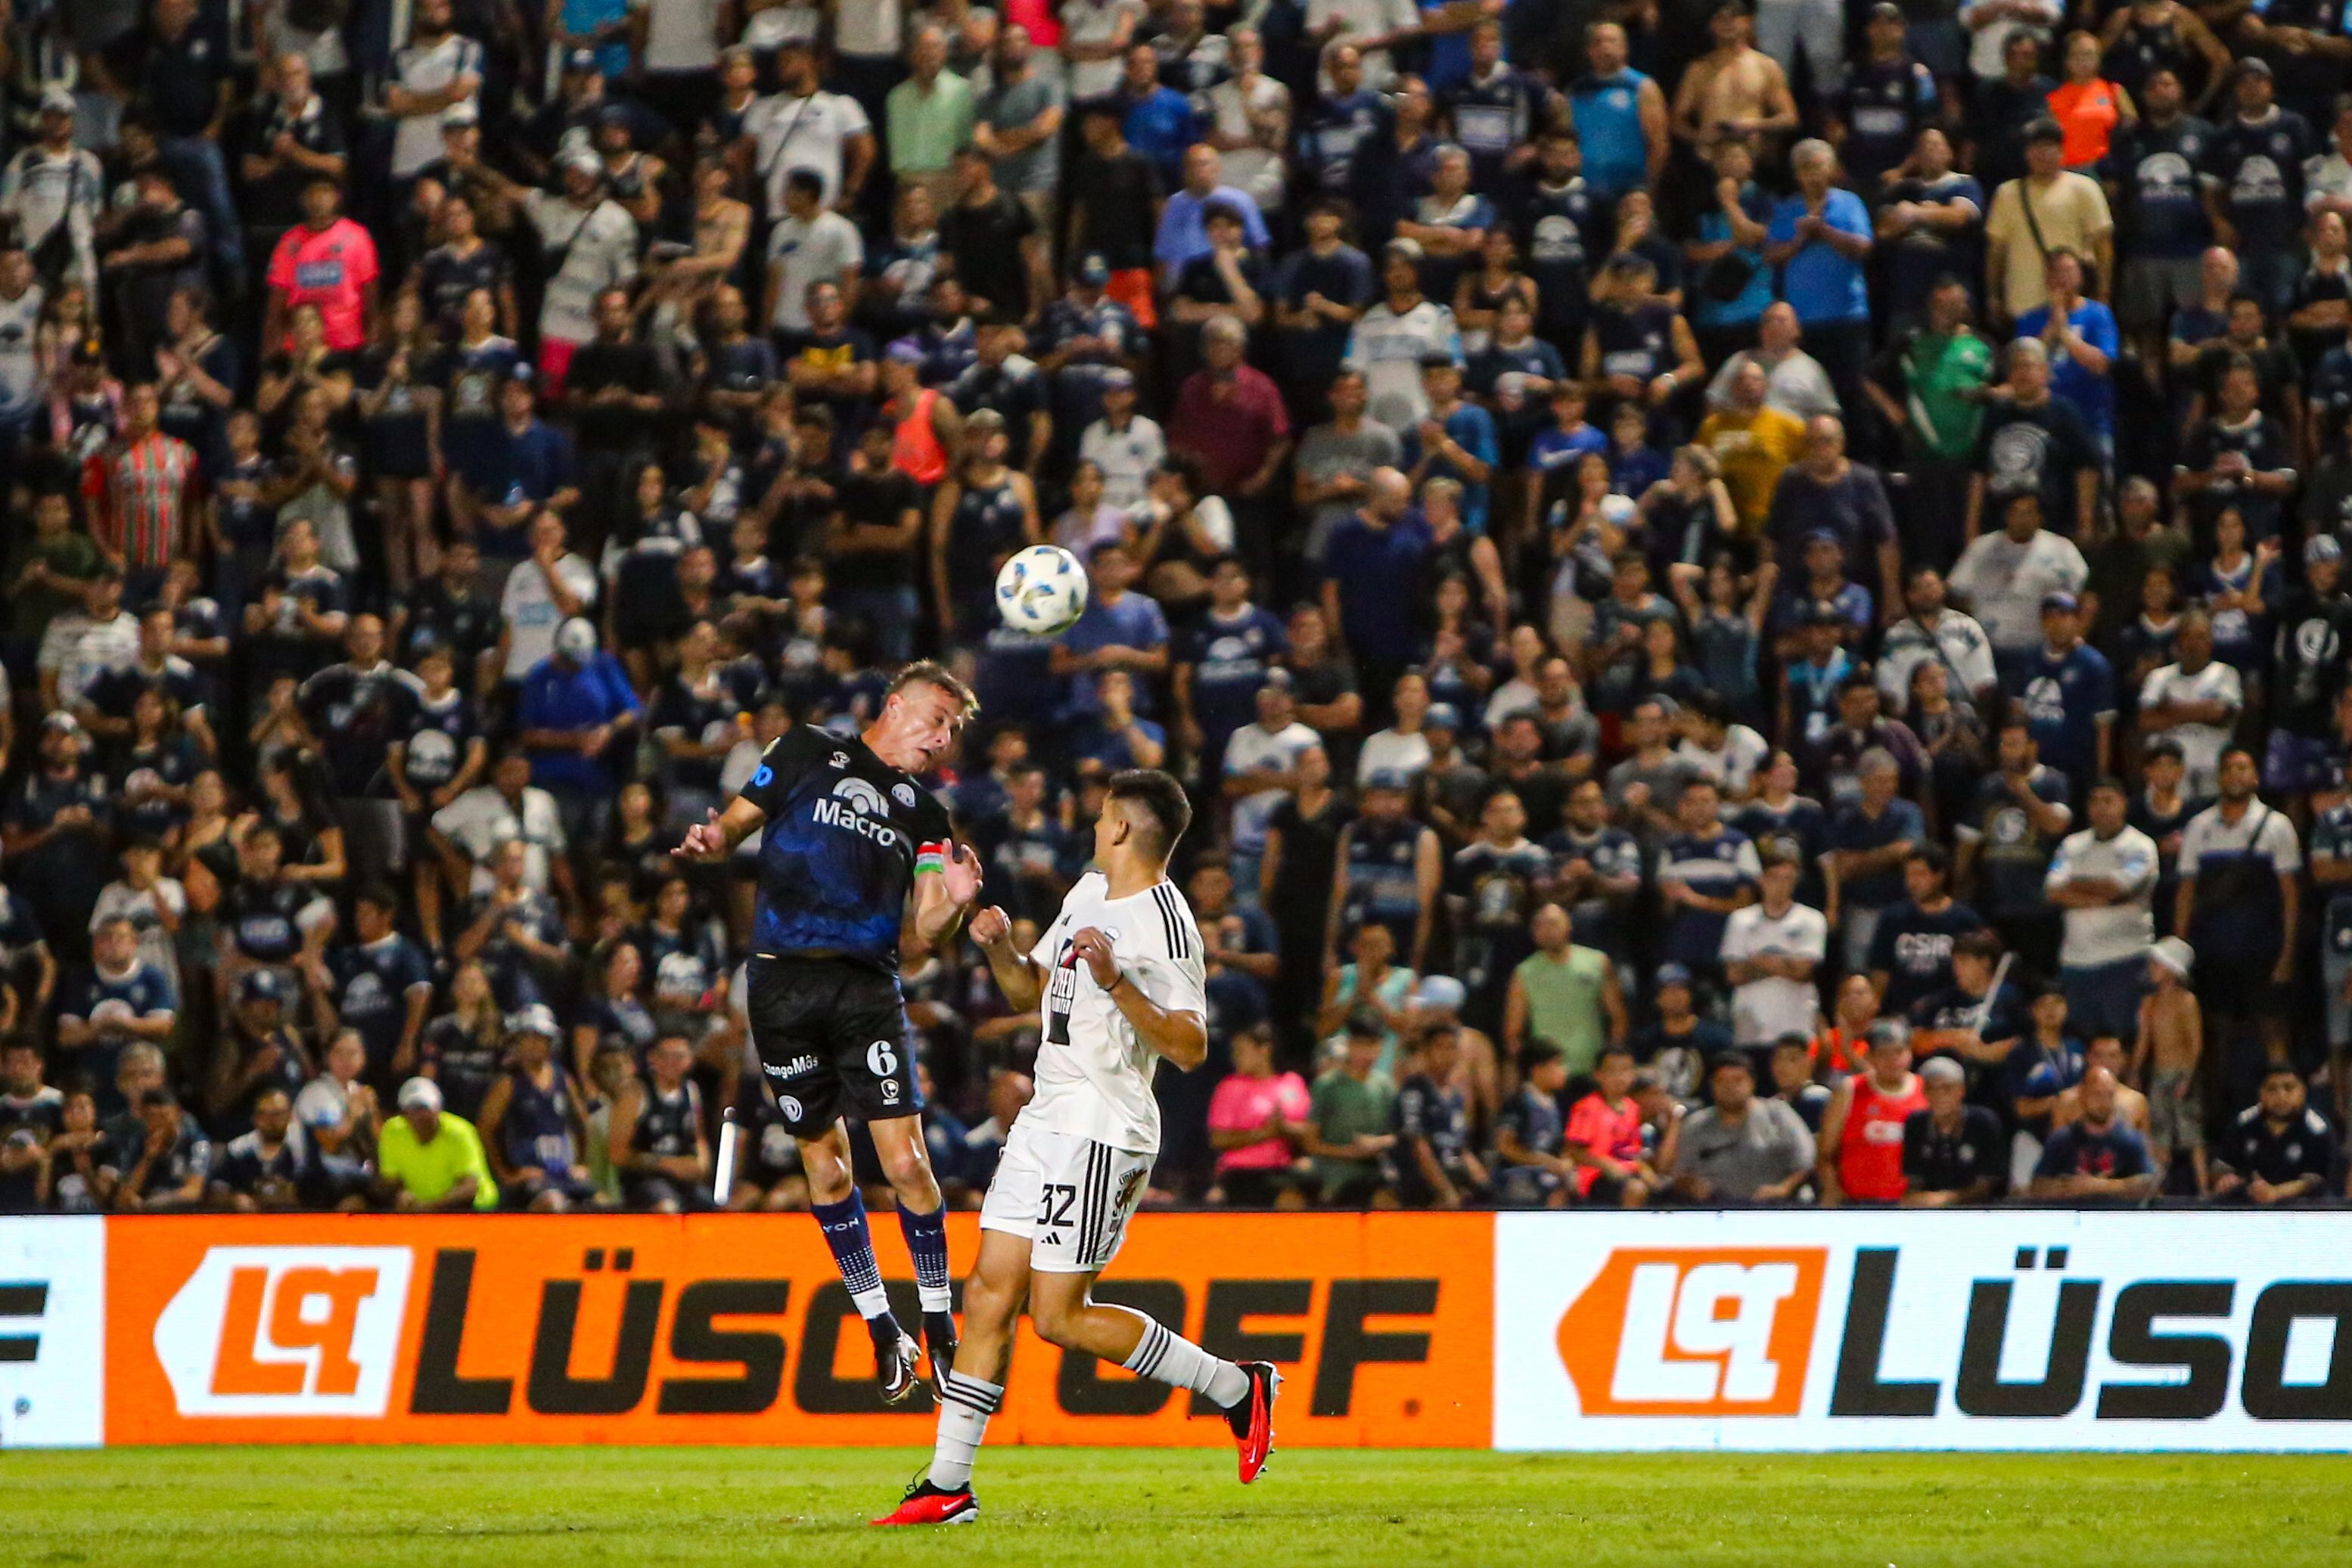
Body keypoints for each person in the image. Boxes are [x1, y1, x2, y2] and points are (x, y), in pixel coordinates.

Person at [879, 768, 1276, 1527]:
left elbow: (1191, 1046)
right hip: (1044, 1116)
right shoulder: (1089, 892)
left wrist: (1118, 982)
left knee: (1057, 1316)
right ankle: (946, 1484)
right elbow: (1032, 994)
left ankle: (1236, 1387)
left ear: (1125, 827)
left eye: (1100, 817)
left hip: (1103, 1128)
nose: (1093, 827)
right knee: (989, 1291)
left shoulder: (1166, 924)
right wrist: (995, 944)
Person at [676, 661, 986, 1404]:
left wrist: (957, 904)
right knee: (828, 1169)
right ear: (894, 704)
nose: (943, 739)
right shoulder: (803, 750)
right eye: (937, 718)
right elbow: (735, 822)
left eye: (952, 730)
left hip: (865, 988)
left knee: (907, 1165)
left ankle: (940, 1322)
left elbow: (925, 929)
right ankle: (884, 1330)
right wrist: (710, 839)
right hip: (780, 984)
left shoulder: (925, 814)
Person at [1669, 1052, 1816, 1205]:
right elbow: (1680, 1174)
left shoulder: (1778, 1114)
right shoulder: (1696, 1125)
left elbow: (1806, 1160)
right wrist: (1692, 1186)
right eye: (1722, 1081)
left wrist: (1783, 1188)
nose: (1730, 1087)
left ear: (1752, 1083)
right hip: (1716, 1211)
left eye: (1737, 1081)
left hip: (1774, 1208)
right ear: (1712, 1085)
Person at [1816, 1020, 1926, 1206]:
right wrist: (1832, 1191)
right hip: (1856, 1203)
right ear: (1870, 1056)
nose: (1892, 1060)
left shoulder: (1925, 1091)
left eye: (1899, 1052)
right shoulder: (1850, 1090)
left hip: (1909, 1206)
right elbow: (1826, 1153)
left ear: (1909, 1054)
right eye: (1883, 1054)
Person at [2209, 1065, 2337, 1204]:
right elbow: (2221, 1167)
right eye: (2272, 1089)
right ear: (2260, 1094)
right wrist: (2226, 1179)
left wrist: (2275, 1192)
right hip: (2250, 1205)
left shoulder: (2317, 1128)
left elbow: (2314, 1181)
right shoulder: (2244, 1122)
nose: (2281, 1096)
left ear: (2303, 1091)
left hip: (2306, 1209)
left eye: (2289, 1088)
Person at [2029, 1066, 2158, 1201]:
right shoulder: (2061, 1139)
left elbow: (2150, 1184)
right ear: (2082, 1095)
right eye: (2097, 1094)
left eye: (2109, 1095)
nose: (2103, 1102)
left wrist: (2103, 1186)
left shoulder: (2131, 1139)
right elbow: (2038, 1186)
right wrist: (2069, 1188)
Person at [376, 1076, 498, 1211]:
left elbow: (469, 1188)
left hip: (472, 1209)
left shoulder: (460, 1132)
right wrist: (400, 1194)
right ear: (404, 1113)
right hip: (420, 1208)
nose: (419, 1116)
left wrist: (429, 1207)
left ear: (438, 1109)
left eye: (424, 1108)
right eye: (412, 1109)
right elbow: (391, 1180)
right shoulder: (393, 1131)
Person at [1900, 1054, 2005, 1205]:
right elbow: (1914, 1179)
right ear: (1924, 1092)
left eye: (1947, 1088)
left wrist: (1945, 1199)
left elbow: (1988, 1184)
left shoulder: (1984, 1122)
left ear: (1961, 1090)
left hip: (1980, 1212)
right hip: (1930, 1213)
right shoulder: (1916, 1123)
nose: (1939, 1095)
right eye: (1931, 1089)